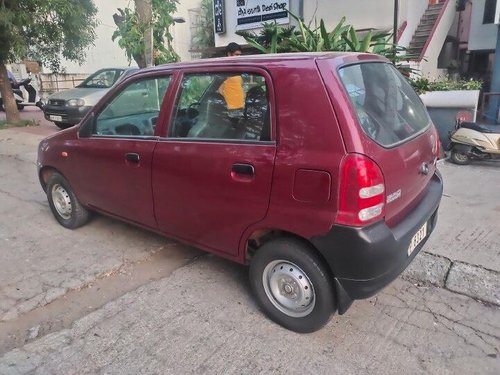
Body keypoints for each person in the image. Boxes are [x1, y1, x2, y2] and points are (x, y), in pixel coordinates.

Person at [218, 43, 244, 115]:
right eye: (237, 55)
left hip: (241, 107)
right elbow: (219, 90)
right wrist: (228, 100)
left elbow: (241, 86)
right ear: (229, 54)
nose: (239, 57)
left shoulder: (238, 69)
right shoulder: (223, 69)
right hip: (231, 108)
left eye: (240, 55)